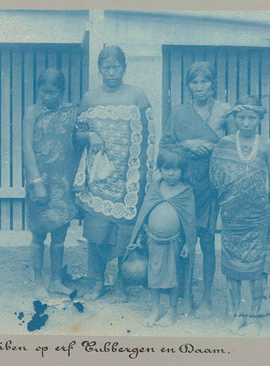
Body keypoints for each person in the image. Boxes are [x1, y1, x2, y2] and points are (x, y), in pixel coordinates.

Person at [74, 46, 155, 301]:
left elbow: (148, 138)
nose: (111, 73)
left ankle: (120, 283)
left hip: (127, 180)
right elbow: (76, 134)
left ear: (124, 68)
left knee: (123, 233)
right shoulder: (89, 98)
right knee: (97, 231)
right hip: (98, 180)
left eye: (116, 67)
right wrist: (90, 135)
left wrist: (142, 178)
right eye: (106, 68)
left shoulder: (137, 96)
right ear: (100, 69)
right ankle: (96, 281)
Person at [164, 61, 235, 318]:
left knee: (206, 240)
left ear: (213, 83)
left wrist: (212, 146)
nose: (200, 87)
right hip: (185, 185)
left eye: (205, 81)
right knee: (183, 239)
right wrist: (186, 144)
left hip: (212, 185)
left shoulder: (225, 112)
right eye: (194, 82)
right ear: (188, 86)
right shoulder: (180, 112)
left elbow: (234, 147)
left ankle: (206, 297)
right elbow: (165, 147)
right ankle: (185, 294)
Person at [210, 96, 270, 332]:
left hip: (259, 216)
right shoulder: (225, 143)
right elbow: (216, 177)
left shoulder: (267, 144)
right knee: (233, 266)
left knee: (259, 267)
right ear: (235, 118)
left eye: (252, 118)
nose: (246, 122)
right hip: (232, 216)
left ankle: (256, 314)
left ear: (259, 119)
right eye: (241, 117)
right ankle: (236, 313)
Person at [129, 136, 196, 327]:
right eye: (167, 169)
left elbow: (189, 222)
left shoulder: (186, 191)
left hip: (175, 243)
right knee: (154, 276)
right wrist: (141, 236)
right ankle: (155, 310)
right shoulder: (156, 187)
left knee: (173, 277)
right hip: (153, 241)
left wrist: (188, 244)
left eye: (175, 169)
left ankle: (172, 310)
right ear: (160, 169)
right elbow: (145, 211)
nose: (171, 173)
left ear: (182, 170)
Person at [23, 68, 78, 298]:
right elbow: (27, 148)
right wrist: (36, 181)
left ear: (61, 91)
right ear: (38, 90)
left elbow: (79, 137)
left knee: (59, 236)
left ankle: (55, 280)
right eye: (44, 92)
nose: (48, 96)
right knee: (38, 234)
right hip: (39, 180)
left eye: (53, 92)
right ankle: (38, 281)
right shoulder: (32, 113)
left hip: (63, 182)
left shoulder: (71, 112)